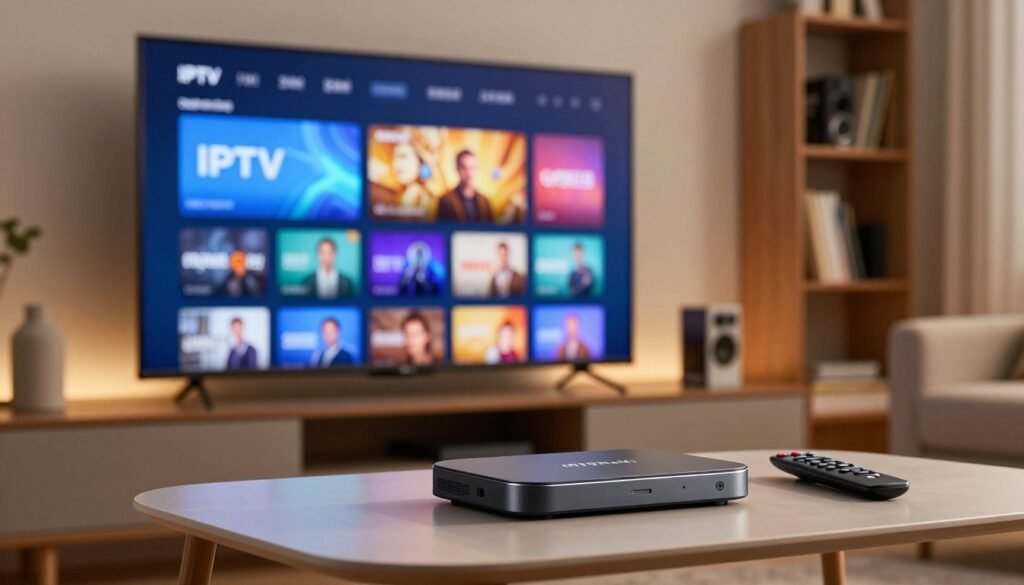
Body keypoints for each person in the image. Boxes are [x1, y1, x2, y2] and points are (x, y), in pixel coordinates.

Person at [436, 150, 493, 222]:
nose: (469, 173)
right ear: (457, 169)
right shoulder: (446, 201)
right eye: (464, 167)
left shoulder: (484, 202)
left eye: (472, 167)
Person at [391, 140, 434, 219]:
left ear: (420, 161)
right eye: (394, 157)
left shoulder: (428, 200)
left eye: (403, 156)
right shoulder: (402, 195)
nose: (396, 164)